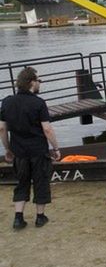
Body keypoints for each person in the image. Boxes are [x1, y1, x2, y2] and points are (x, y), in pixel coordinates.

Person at [0, 67, 61, 230]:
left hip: (19, 151)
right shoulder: (38, 103)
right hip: (38, 150)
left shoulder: (6, 102)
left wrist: (7, 148)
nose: (40, 84)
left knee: (22, 182)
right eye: (39, 80)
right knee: (41, 181)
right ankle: (40, 217)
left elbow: (2, 129)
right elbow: (47, 129)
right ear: (31, 82)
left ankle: (18, 218)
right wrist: (56, 148)